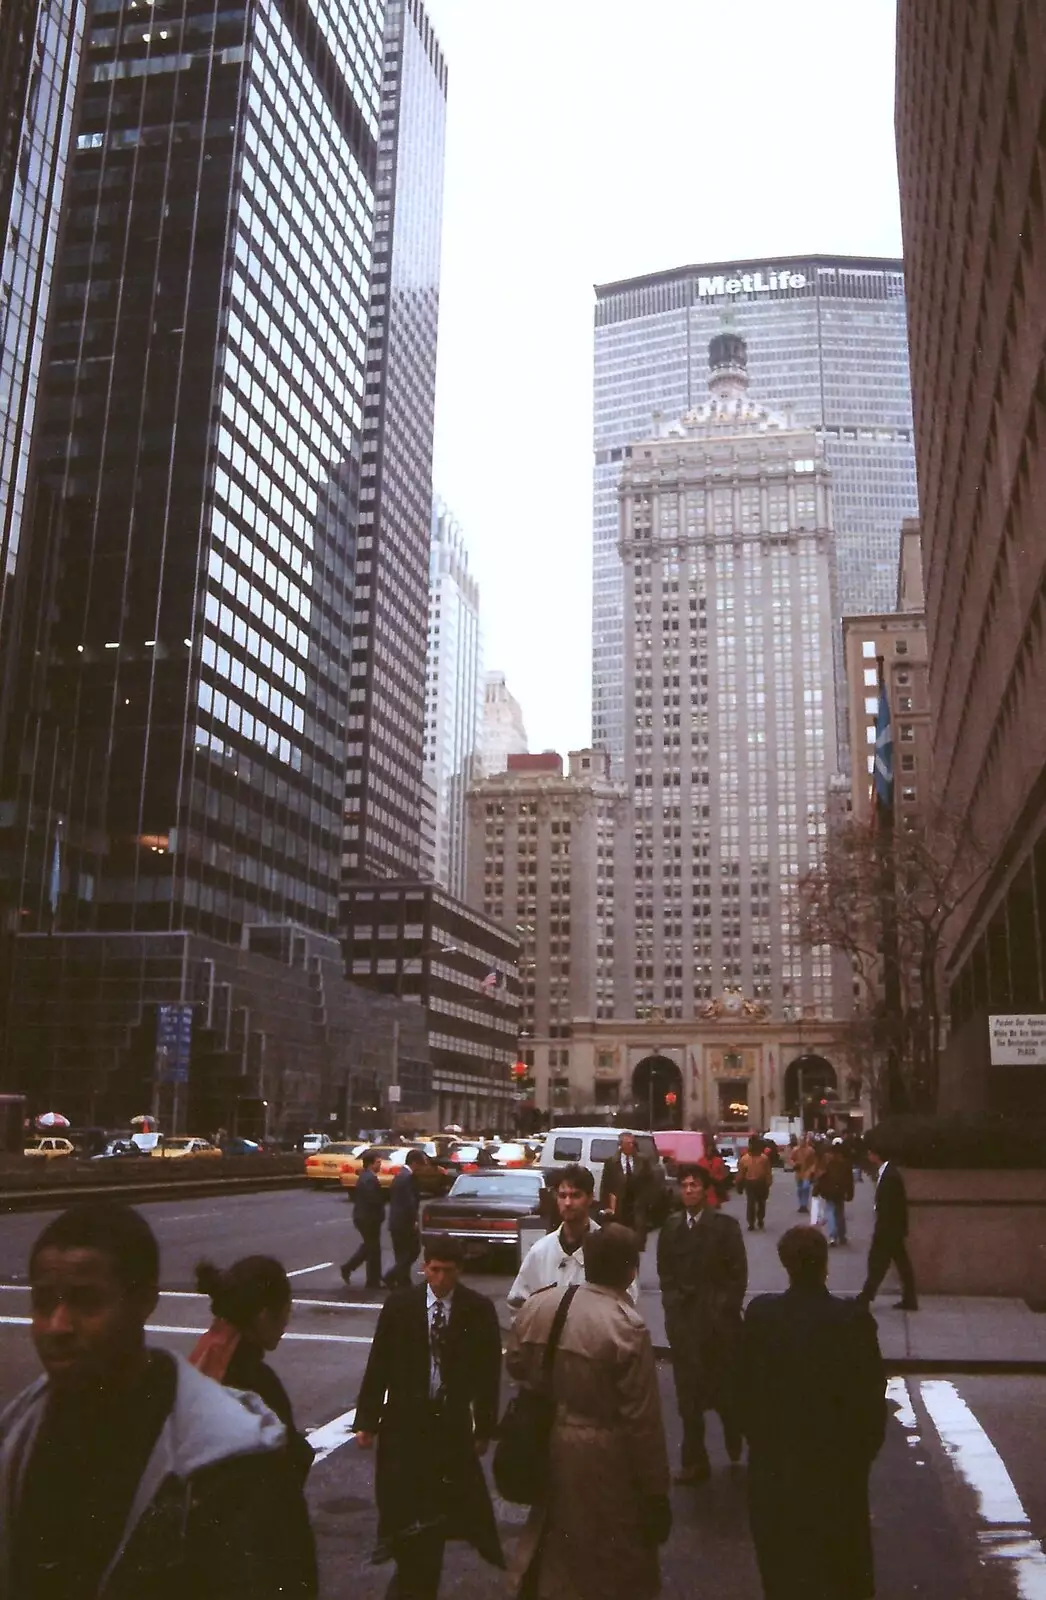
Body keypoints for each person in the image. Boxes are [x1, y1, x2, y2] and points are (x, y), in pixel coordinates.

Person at [0, 1201, 316, 1599]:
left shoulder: (235, 1463)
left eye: (86, 1301)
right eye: (44, 1302)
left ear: (145, 1301)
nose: (58, 1326)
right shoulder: (18, 1432)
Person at [507, 1225, 671, 1600]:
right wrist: (655, 1492)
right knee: (609, 1555)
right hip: (605, 1452)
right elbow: (642, 1421)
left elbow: (516, 1364)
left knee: (554, 1541)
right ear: (631, 1270)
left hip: (549, 1437)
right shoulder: (627, 1327)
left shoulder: (543, 1305)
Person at [741, 1226, 887, 1600]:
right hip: (836, 1469)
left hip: (777, 1466)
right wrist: (860, 1457)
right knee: (839, 1569)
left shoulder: (761, 1316)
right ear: (825, 1266)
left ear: (785, 1265)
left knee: (784, 1571)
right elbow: (871, 1400)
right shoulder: (852, 1321)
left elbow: (741, 1389)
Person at [355, 1239, 504, 1598]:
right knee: (403, 1504)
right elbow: (379, 1363)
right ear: (424, 1267)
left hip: (448, 1423)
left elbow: (488, 1375)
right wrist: (367, 1419)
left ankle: (420, 1571)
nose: (439, 1279)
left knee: (439, 1509)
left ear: (460, 1271)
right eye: (433, 1270)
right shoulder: (401, 1307)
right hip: (405, 1421)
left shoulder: (478, 1310)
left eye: (448, 1272)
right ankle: (410, 1566)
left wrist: (483, 1427)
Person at [657, 1163, 747, 1481]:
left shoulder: (725, 1227)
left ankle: (733, 1432)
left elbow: (738, 1275)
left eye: (695, 1185)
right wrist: (672, 1307)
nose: (689, 1190)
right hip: (685, 1324)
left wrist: (724, 1308)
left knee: (725, 1392)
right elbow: (665, 1272)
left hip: (719, 1326)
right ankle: (694, 1462)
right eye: (685, 1185)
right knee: (688, 1398)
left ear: (705, 1190)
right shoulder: (671, 1227)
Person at [508, 1164, 639, 1308]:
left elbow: (628, 1303)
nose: (568, 1203)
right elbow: (517, 1303)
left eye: (576, 1195)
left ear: (590, 1198)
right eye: (563, 1196)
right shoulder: (540, 1252)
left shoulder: (611, 1247)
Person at [857, 1137, 918, 1311]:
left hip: (888, 1229)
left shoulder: (890, 1175)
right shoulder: (887, 1172)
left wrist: (883, 1229)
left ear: (876, 1155)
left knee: (878, 1262)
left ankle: (865, 1297)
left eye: (870, 1153)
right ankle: (909, 1299)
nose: (868, 1155)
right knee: (900, 1264)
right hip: (893, 1228)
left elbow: (892, 1206)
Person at [599, 1130, 659, 1246]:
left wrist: (648, 1202)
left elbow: (650, 1183)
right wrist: (606, 1206)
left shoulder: (643, 1160)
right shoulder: (611, 1162)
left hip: (637, 1206)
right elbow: (605, 1186)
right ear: (621, 1145)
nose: (631, 1146)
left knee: (636, 1241)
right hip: (619, 1207)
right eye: (628, 1143)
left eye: (633, 1143)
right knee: (619, 1240)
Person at [342, 1150, 385, 1289]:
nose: (380, 1165)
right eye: (378, 1162)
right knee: (372, 1248)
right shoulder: (368, 1179)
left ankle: (372, 1279)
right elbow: (372, 1199)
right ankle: (369, 1280)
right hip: (368, 1218)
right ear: (371, 1164)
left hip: (366, 1217)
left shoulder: (367, 1176)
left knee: (371, 1247)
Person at [383, 1148, 425, 1289]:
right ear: (414, 1163)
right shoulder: (407, 1177)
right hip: (404, 1222)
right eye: (420, 1164)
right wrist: (414, 1220)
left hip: (396, 1221)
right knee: (413, 1251)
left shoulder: (400, 1175)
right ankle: (391, 1276)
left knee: (402, 1253)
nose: (421, 1168)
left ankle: (403, 1281)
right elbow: (409, 1201)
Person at [816, 1138, 855, 1246]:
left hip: (828, 1190)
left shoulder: (827, 1162)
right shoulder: (846, 1163)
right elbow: (849, 1180)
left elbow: (820, 1177)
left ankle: (832, 1235)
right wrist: (850, 1193)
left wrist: (817, 1189)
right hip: (840, 1191)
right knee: (839, 1213)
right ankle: (842, 1235)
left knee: (830, 1211)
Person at [737, 1135, 773, 1231]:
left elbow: (768, 1172)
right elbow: (741, 1173)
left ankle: (760, 1218)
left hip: (761, 1183)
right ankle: (751, 1222)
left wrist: (768, 1183)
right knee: (751, 1203)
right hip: (750, 1183)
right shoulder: (744, 1159)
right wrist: (739, 1184)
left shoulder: (764, 1158)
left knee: (761, 1203)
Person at [791, 1133, 817, 1213]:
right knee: (799, 1189)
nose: (802, 1142)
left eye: (803, 1140)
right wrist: (794, 1165)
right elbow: (791, 1159)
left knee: (806, 1187)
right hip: (799, 1172)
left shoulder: (811, 1150)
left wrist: (812, 1170)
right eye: (800, 1140)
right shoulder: (795, 1150)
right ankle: (801, 1205)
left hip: (807, 1171)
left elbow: (814, 1161)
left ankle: (804, 1204)